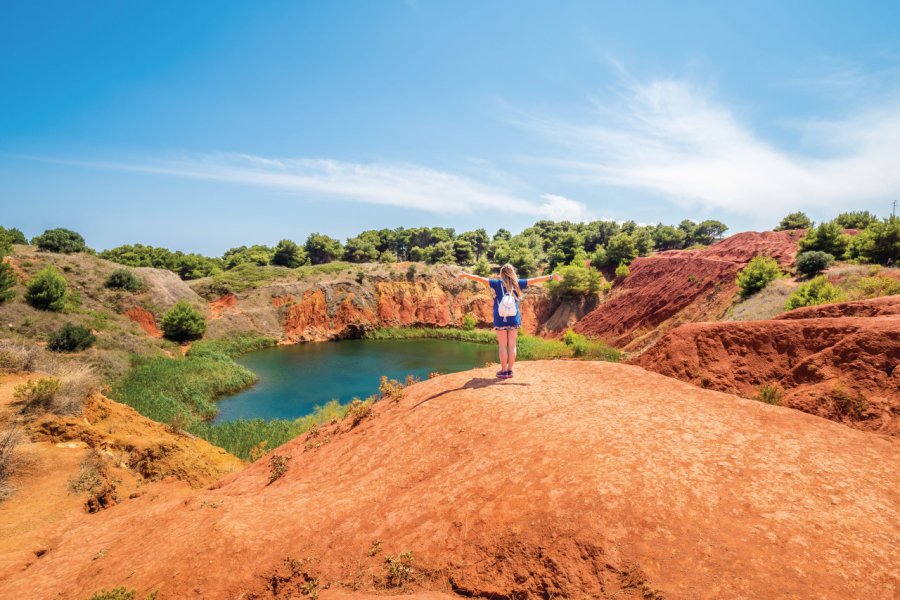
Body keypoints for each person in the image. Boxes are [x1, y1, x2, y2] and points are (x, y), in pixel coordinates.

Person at [456, 263, 561, 379]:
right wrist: (552, 277)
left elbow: (480, 279)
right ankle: (510, 371)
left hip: (500, 318)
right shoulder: (518, 283)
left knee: (502, 345)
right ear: (512, 273)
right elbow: (535, 280)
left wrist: (466, 275)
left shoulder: (496, 284)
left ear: (501, 273)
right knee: (512, 345)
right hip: (514, 318)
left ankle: (503, 371)